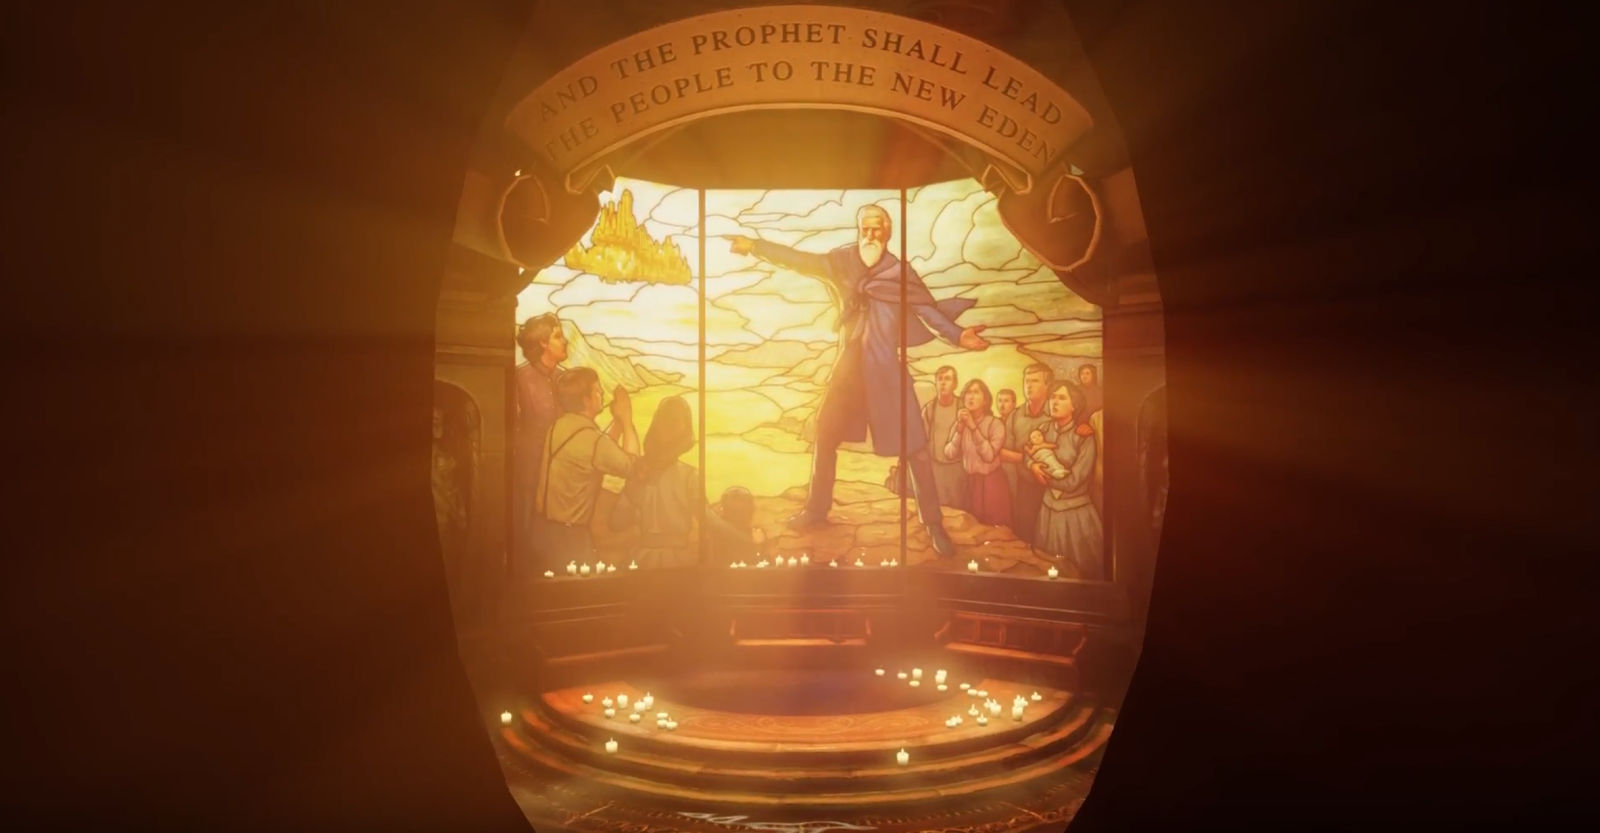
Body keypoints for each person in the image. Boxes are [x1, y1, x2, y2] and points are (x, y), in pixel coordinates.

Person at [724, 205, 989, 557]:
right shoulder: (841, 263)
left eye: (877, 229)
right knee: (825, 435)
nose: (870, 235)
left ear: (888, 232)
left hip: (886, 371)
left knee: (916, 448)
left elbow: (928, 312)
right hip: (847, 372)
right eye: (865, 228)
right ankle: (816, 510)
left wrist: (958, 335)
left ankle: (933, 524)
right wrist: (756, 247)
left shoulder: (900, 273)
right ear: (858, 229)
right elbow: (799, 260)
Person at [533, 367, 639, 569]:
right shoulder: (593, 440)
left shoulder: (558, 427)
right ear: (586, 400)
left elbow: (599, 451)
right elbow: (631, 466)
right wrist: (626, 420)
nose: (602, 394)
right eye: (598, 390)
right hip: (572, 539)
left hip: (545, 532)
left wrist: (616, 422)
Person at [607, 396, 700, 568]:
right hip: (674, 562)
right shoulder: (689, 476)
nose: (667, 430)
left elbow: (618, 521)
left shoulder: (687, 476)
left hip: (651, 561)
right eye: (666, 423)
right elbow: (617, 522)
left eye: (672, 424)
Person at [1027, 381, 1105, 580]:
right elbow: (1028, 452)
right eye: (1052, 397)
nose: (1055, 402)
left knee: (1080, 573)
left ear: (1074, 405)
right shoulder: (1043, 429)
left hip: (1075, 515)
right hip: (1047, 512)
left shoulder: (1083, 436)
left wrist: (1045, 478)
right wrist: (1032, 466)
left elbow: (1075, 480)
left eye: (1062, 398)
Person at [512, 313, 568, 571]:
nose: (565, 341)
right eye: (558, 336)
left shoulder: (567, 380)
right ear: (543, 342)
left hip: (563, 475)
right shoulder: (519, 378)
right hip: (530, 472)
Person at [942, 379, 1010, 526]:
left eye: (976, 392)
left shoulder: (995, 424)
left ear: (985, 400)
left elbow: (989, 456)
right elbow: (949, 453)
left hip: (992, 484)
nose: (970, 397)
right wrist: (959, 431)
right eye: (967, 393)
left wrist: (973, 428)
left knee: (993, 530)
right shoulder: (960, 423)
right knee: (973, 528)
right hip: (971, 483)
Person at [921, 366, 967, 510]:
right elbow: (922, 439)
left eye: (947, 379)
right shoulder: (929, 409)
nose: (943, 383)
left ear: (955, 384)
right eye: (940, 379)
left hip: (958, 469)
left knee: (958, 510)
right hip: (935, 468)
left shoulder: (963, 407)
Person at [995, 388, 1019, 499]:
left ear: (1013, 404)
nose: (1002, 405)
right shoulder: (994, 422)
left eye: (1006, 401)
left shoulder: (1018, 422)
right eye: (1000, 401)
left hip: (1015, 470)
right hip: (997, 468)